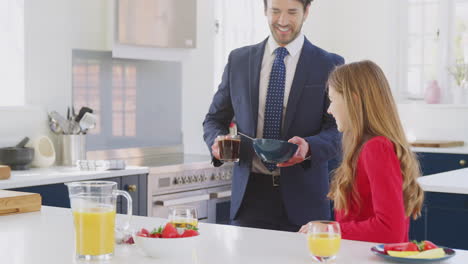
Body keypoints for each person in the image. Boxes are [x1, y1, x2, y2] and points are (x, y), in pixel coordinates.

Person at [203, 0, 344, 232]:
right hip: (249, 198)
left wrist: (308, 147)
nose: (283, 21)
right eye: (275, 11)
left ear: (307, 12)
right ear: (265, 11)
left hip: (305, 201)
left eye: (292, 12)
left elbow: (338, 130)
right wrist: (216, 142)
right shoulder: (238, 60)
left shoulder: (329, 63)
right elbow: (214, 120)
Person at [299, 60, 425, 243]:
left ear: (354, 99)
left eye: (333, 100)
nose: (329, 110)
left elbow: (390, 230)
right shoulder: (364, 146)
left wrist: (330, 230)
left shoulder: (377, 148)